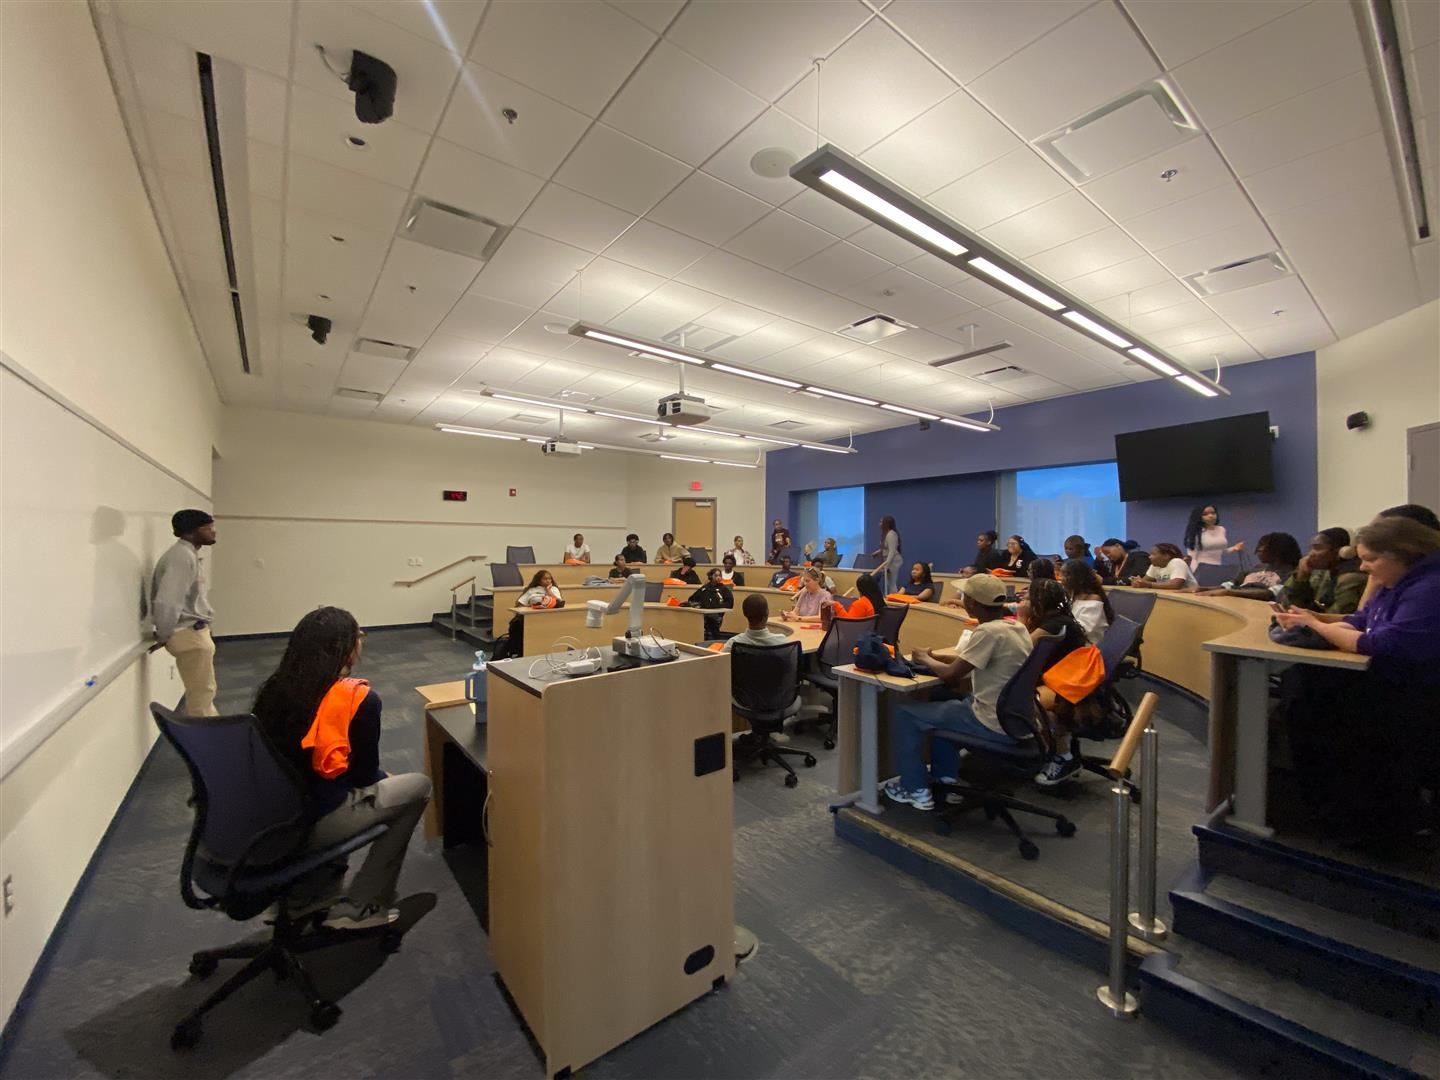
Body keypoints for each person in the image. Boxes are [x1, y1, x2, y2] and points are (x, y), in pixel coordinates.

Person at [253, 607, 431, 929]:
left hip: (266, 819)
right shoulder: (358, 700)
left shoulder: (273, 689)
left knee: (343, 786)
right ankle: (363, 905)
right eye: (358, 636)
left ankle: (304, 897)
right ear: (347, 647)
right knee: (416, 787)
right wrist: (384, 779)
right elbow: (364, 776)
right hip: (312, 821)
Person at [1273, 517, 1440, 834]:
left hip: (1415, 696)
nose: (1363, 568)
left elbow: (1377, 644)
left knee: (1312, 699)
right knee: (1304, 685)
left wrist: (1316, 626)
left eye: (1370, 559)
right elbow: (1361, 620)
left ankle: (1364, 818)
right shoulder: (1397, 582)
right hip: (1391, 683)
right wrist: (1307, 621)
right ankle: (1331, 806)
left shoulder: (1430, 587)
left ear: (1403, 553)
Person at [882, 575, 1034, 810]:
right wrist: (939, 658)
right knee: (946, 705)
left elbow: (951, 675)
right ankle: (947, 780)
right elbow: (971, 661)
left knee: (905, 713)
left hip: (991, 721)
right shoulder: (1016, 628)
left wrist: (924, 658)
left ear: (972, 604)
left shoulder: (987, 633)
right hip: (1019, 721)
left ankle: (915, 789)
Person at [1020, 579, 1093, 786]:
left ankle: (1064, 757)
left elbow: (1021, 647)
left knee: (1028, 703)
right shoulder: (1059, 619)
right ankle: (1054, 750)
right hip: (1065, 681)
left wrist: (1022, 617)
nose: (1025, 600)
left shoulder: (1053, 625)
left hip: (1066, 688)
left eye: (1028, 597)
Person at [151, 509, 220, 717]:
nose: (213, 532)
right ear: (191, 532)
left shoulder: (187, 554)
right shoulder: (181, 557)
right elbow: (168, 601)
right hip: (188, 635)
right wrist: (164, 634)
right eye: (207, 528)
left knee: (204, 692)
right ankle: (206, 742)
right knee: (201, 696)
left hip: (193, 633)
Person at [1196, 532, 1301, 601]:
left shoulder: (1292, 573)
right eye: (1260, 545)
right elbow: (1230, 585)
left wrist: (1230, 592)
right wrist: (1203, 589)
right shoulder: (1257, 568)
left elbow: (1272, 593)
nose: (1259, 550)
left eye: (1264, 546)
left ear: (1279, 550)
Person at [1282, 528, 1366, 614]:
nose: (1310, 554)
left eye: (1318, 548)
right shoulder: (1323, 573)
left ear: (1339, 551)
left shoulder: (1351, 577)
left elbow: (1337, 615)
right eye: (1311, 548)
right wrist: (1301, 577)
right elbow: (1290, 605)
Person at [1061, 558, 1112, 645]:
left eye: (1066, 575)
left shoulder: (1093, 600)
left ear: (1079, 578)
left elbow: (1083, 630)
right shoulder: (1070, 597)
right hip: (1073, 643)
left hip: (1088, 648)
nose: (1062, 579)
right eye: (1062, 575)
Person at [721, 593, 790, 651]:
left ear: (745, 614)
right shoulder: (783, 643)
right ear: (767, 613)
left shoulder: (732, 644)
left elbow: (721, 664)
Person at [682, 568, 733, 639]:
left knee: (711, 621)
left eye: (719, 575)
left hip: (716, 614)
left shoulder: (724, 589)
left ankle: (716, 641)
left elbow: (729, 603)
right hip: (703, 613)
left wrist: (718, 607)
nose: (718, 578)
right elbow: (692, 598)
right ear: (711, 576)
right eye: (716, 575)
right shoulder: (705, 588)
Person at [1127, 543, 1196, 590]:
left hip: (1192, 597)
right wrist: (1137, 582)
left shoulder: (1177, 562)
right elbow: (1144, 581)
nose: (1149, 557)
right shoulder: (1155, 565)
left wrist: (1148, 584)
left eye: (1153, 554)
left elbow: (1175, 585)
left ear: (1166, 556)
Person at [872, 515, 902, 594]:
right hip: (888, 560)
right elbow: (886, 548)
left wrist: (886, 564)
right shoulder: (886, 534)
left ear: (886, 523)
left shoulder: (891, 534)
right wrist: (878, 552)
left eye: (881, 522)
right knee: (889, 583)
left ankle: (894, 599)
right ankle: (892, 597)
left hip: (893, 561)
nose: (879, 524)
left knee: (892, 583)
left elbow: (892, 551)